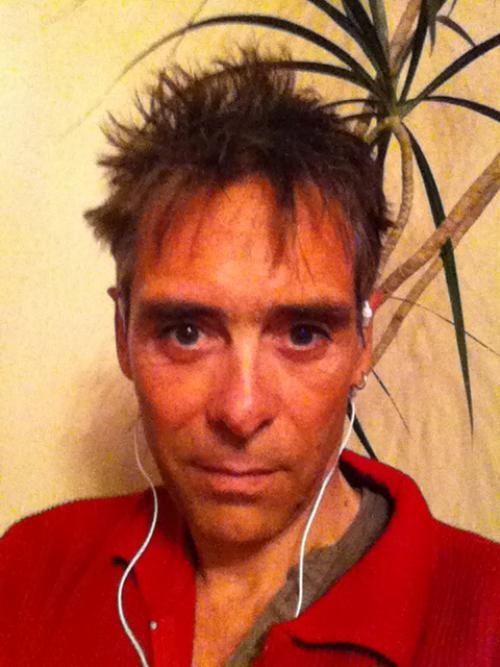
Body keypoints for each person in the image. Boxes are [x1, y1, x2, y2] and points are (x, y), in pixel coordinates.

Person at [1, 50, 498, 667]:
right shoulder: (28, 571)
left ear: (363, 342)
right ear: (123, 332)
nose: (240, 412)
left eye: (303, 334)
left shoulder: (484, 616)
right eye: (186, 333)